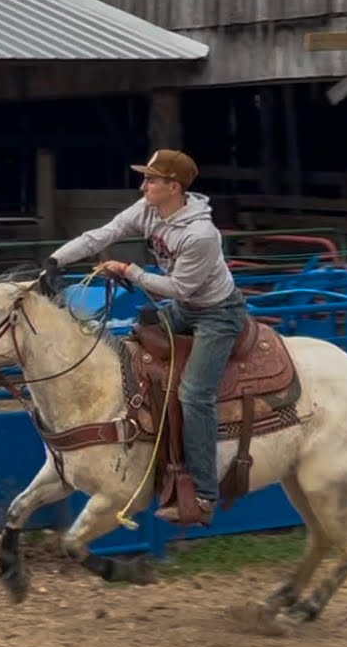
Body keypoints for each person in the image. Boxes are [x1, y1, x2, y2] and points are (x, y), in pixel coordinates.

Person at [37, 149, 247, 527]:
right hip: (188, 308)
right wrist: (56, 260)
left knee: (195, 393)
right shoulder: (148, 210)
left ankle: (202, 493)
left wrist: (129, 270)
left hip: (216, 314)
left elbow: (179, 288)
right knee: (129, 353)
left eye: (151, 179)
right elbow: (104, 233)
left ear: (173, 186)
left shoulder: (201, 235)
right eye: (146, 178)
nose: (143, 185)